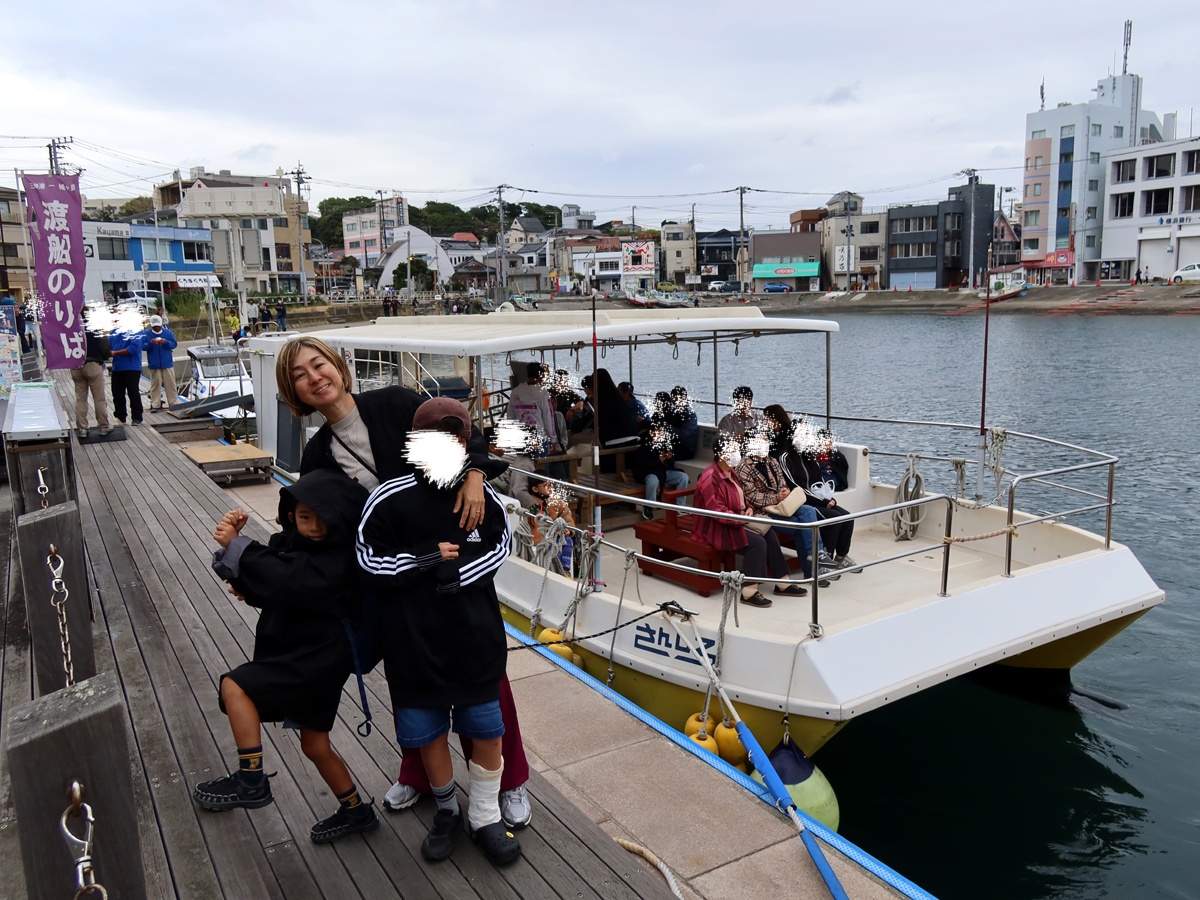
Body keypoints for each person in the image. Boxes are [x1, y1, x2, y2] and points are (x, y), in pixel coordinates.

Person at [278, 337, 533, 830]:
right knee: (408, 679)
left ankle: (508, 781)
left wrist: (475, 473)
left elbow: (460, 427)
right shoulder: (317, 456)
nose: (314, 377)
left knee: (486, 682)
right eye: (299, 375)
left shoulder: (395, 403)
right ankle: (418, 772)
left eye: (319, 364)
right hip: (395, 577)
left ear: (339, 366)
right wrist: (261, 570)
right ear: (294, 392)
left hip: (453, 563)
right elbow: (316, 525)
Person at [356, 397, 520, 865]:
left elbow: (500, 546)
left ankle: (485, 814)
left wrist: (457, 577)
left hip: (476, 639)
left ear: (466, 442)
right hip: (412, 643)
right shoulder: (388, 497)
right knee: (428, 735)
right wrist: (425, 560)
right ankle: (447, 809)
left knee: (488, 730)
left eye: (456, 438)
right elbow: (368, 560)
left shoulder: (482, 495)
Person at [194, 470, 380, 844]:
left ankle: (250, 780)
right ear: (291, 514)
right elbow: (275, 584)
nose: (311, 526)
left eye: (320, 518)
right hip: (309, 655)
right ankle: (357, 811)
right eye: (303, 515)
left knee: (235, 686)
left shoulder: (340, 560)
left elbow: (292, 580)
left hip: (318, 658)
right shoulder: (291, 547)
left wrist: (239, 546)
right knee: (314, 744)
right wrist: (241, 569)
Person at [692, 433, 793, 607]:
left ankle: (782, 582)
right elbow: (717, 510)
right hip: (717, 526)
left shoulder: (730, 472)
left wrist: (749, 509)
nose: (737, 452)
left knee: (769, 533)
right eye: (733, 449)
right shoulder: (710, 477)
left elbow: (744, 498)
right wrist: (741, 519)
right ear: (721, 453)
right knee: (757, 543)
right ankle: (749, 592)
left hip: (737, 519)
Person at [736, 424, 830, 589]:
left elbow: (781, 482)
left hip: (783, 506)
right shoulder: (743, 467)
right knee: (802, 527)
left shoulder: (771, 460)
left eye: (766, 440)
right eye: (761, 440)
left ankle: (817, 556)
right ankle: (813, 568)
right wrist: (775, 498)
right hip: (762, 511)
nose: (765, 443)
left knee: (808, 511)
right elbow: (750, 496)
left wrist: (784, 492)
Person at [768, 407, 857, 572]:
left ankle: (840, 557)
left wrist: (828, 497)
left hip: (818, 499)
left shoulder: (809, 456)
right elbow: (795, 487)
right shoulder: (785, 457)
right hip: (802, 502)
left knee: (848, 517)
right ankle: (824, 562)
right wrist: (823, 501)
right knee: (834, 520)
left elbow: (819, 480)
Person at [631, 413, 689, 520]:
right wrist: (658, 459)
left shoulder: (665, 443)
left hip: (663, 471)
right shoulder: (645, 445)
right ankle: (649, 506)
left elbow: (670, 465)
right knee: (652, 481)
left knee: (683, 477)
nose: (661, 434)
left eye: (662, 431)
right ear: (651, 433)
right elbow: (641, 465)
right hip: (648, 472)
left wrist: (670, 457)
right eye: (658, 431)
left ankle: (679, 506)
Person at [72, 310, 112, 439]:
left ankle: (82, 428)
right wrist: (106, 357)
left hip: (75, 365)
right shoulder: (95, 326)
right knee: (99, 398)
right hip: (93, 364)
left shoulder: (69, 327)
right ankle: (103, 426)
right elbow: (105, 346)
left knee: (80, 398)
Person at [592, 368, 639, 469]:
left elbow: (602, 421)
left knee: (606, 466)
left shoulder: (601, 399)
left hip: (615, 441)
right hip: (633, 437)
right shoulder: (617, 395)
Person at [507, 362, 558, 454]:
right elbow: (548, 417)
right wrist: (552, 438)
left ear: (527, 374)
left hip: (521, 437)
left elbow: (510, 415)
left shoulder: (516, 391)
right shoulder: (543, 393)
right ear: (541, 376)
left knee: (523, 466)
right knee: (541, 466)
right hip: (539, 438)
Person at [141, 315, 179, 411]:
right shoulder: (146, 334)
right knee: (155, 385)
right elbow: (142, 346)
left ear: (161, 325)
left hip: (167, 363)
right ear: (151, 326)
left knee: (170, 384)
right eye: (154, 326)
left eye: (158, 326)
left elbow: (174, 344)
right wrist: (150, 343)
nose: (157, 328)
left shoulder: (168, 333)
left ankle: (173, 403)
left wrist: (165, 342)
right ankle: (155, 404)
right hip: (154, 363)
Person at [109, 324, 144, 426]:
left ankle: (137, 417)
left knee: (133, 392)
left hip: (132, 367)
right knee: (117, 393)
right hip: (117, 367)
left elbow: (134, 348)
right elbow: (108, 346)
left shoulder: (135, 330)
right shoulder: (114, 331)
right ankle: (120, 416)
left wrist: (116, 353)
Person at [667, 386, 699, 461]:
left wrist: (667, 428)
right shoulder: (672, 411)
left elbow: (683, 434)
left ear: (685, 399)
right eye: (673, 401)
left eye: (677, 400)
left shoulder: (690, 414)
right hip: (674, 447)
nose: (675, 403)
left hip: (685, 450)